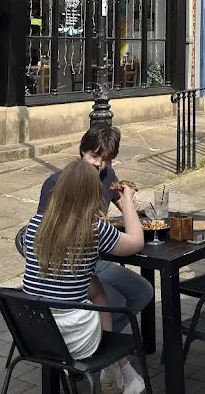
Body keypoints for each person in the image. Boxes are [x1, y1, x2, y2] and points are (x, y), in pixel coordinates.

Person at [36, 125, 154, 373]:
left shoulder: (108, 177)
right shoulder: (58, 188)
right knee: (109, 299)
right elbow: (52, 241)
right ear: (82, 152)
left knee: (141, 291)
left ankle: (106, 346)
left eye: (106, 160)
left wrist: (128, 204)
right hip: (68, 266)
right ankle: (103, 353)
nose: (99, 165)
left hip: (89, 263)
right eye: (94, 156)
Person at [24, 161, 147, 393]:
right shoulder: (93, 228)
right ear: (92, 194)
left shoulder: (34, 225)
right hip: (74, 341)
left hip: (33, 335)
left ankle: (123, 373)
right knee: (99, 293)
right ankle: (117, 366)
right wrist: (128, 202)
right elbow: (136, 242)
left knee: (95, 287)